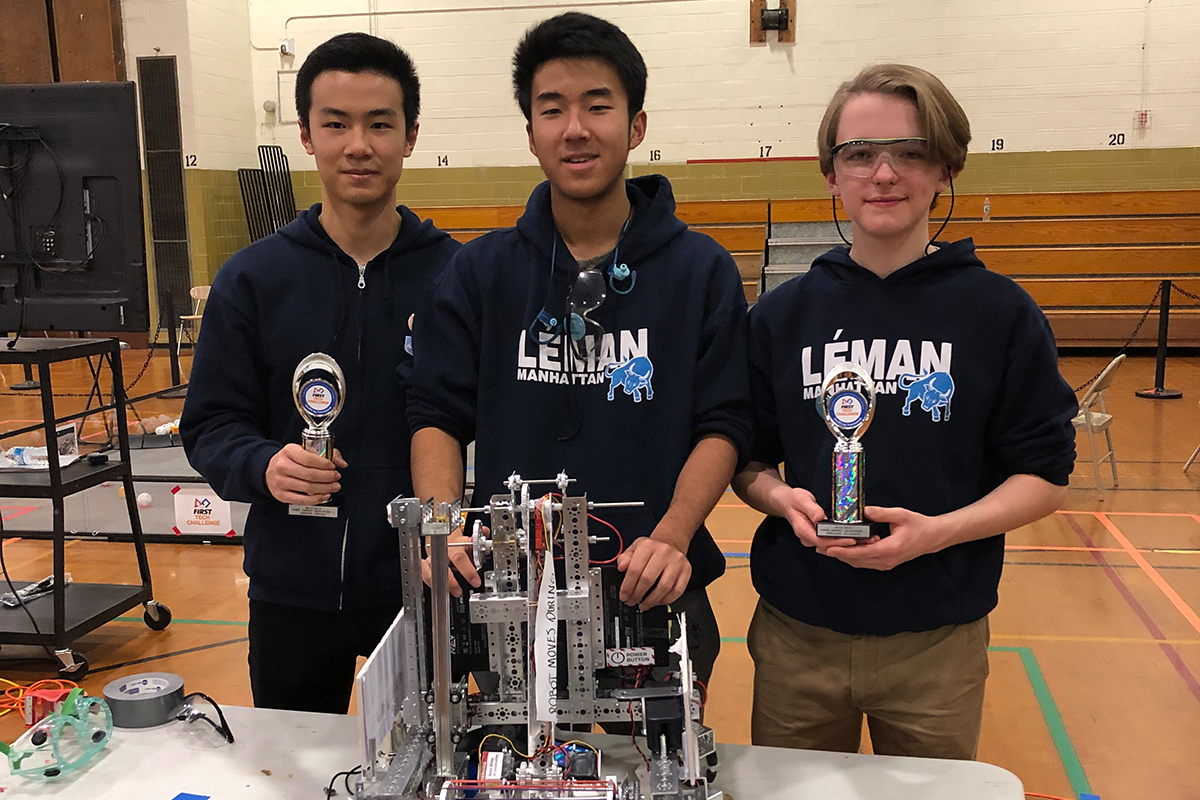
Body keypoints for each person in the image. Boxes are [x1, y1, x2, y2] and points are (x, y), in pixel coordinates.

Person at [732, 64, 1076, 758]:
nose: (883, 174)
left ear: (945, 167)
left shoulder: (1000, 314)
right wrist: (782, 501)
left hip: (937, 642)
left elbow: (1044, 475)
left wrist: (938, 533)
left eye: (910, 152)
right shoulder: (780, 316)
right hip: (800, 634)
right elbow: (745, 456)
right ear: (831, 173)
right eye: (859, 155)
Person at [407, 11, 752, 687]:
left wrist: (675, 536)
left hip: (654, 587)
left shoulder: (700, 271)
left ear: (636, 125)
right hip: (512, 598)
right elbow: (435, 413)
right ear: (531, 133)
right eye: (552, 109)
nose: (576, 128)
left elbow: (726, 422)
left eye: (598, 105)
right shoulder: (479, 274)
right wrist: (442, 527)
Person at [181, 32, 460, 713]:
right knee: (297, 775)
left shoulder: (457, 276)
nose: (356, 145)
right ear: (306, 135)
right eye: (335, 123)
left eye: (378, 124)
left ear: (411, 135)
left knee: (427, 772)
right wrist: (262, 465)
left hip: (422, 587)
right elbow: (211, 424)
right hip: (292, 593)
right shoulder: (252, 278)